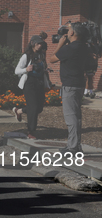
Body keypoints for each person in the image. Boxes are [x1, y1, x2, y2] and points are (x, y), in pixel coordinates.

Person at [49, 22, 92, 154]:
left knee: (71, 117)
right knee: (76, 117)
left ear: (72, 33)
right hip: (79, 84)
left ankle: (72, 147)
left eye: (68, 30)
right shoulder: (85, 47)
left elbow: (52, 59)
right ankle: (75, 146)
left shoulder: (69, 48)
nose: (67, 33)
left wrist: (59, 45)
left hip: (70, 85)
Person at [13, 35, 50, 139]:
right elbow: (16, 71)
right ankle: (31, 132)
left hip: (40, 83)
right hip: (29, 83)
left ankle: (19, 111)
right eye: (38, 43)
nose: (40, 45)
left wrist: (45, 71)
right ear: (33, 43)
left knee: (39, 108)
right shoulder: (27, 56)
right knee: (33, 108)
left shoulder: (42, 55)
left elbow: (41, 67)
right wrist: (26, 69)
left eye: (41, 44)